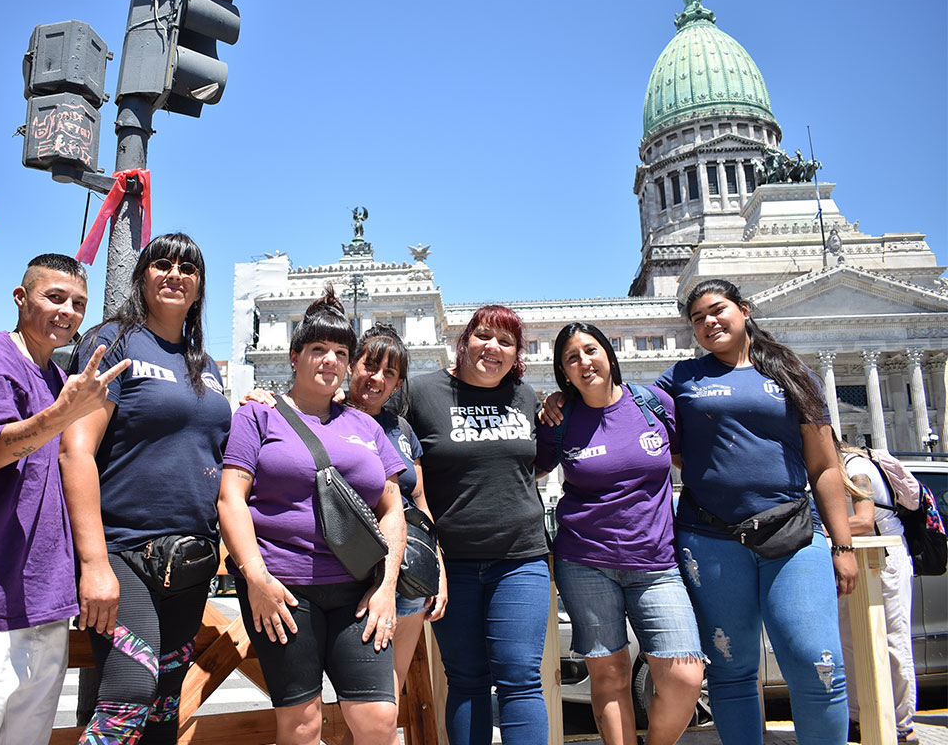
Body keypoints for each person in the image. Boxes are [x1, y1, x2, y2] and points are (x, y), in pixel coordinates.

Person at [0, 254, 129, 745]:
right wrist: (60, 416)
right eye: (54, 297)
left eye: (78, 303)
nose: (68, 312)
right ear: (20, 297)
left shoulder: (56, 378)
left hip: (43, 601)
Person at [659, 279, 856, 745]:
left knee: (817, 661)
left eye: (717, 310)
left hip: (791, 532)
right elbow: (624, 408)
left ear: (744, 310)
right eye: (697, 319)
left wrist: (842, 542)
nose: (708, 322)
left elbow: (825, 464)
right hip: (709, 539)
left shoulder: (791, 372)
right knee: (730, 668)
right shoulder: (683, 377)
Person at [60, 233, 232, 743]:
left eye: (188, 268)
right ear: (142, 276)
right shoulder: (111, 340)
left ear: (200, 288)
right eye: (162, 263)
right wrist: (92, 563)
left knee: (163, 704)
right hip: (122, 552)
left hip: (190, 560)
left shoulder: (208, 366)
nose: (175, 274)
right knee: (130, 692)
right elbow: (75, 451)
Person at [241, 323, 449, 739]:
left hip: (389, 573)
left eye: (390, 374)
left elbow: (416, 502)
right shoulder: (291, 411)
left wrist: (432, 567)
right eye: (370, 366)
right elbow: (236, 493)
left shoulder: (396, 429)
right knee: (308, 719)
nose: (377, 379)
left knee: (381, 710)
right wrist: (254, 575)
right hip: (311, 576)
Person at [218, 289, 407, 745]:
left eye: (341, 353)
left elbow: (393, 507)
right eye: (318, 349)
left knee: (379, 719)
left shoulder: (365, 425)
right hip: (282, 590)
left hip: (359, 592)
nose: (330, 361)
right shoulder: (258, 416)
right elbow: (230, 499)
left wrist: (386, 590)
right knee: (301, 725)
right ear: (294, 355)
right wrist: (257, 580)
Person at [536, 322, 704, 745]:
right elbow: (527, 470)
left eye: (590, 351)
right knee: (608, 677)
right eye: (572, 358)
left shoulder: (652, 403)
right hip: (585, 562)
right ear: (564, 372)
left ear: (609, 354)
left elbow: (693, 461)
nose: (584, 362)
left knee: (685, 675)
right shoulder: (560, 419)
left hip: (656, 563)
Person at [406, 305, 551, 745]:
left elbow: (539, 462)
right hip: (453, 564)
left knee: (520, 677)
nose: (493, 348)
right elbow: (365, 411)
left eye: (506, 342)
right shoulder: (421, 392)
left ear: (516, 355)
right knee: (466, 678)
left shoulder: (525, 397)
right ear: (464, 341)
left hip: (521, 558)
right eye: (484, 336)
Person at [835, 441, 919, 745]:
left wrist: (817, 527)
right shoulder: (839, 469)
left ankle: (901, 725)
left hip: (884, 560)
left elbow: (864, 519)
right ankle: (859, 718)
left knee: (894, 642)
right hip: (856, 558)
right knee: (850, 640)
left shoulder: (856, 469)